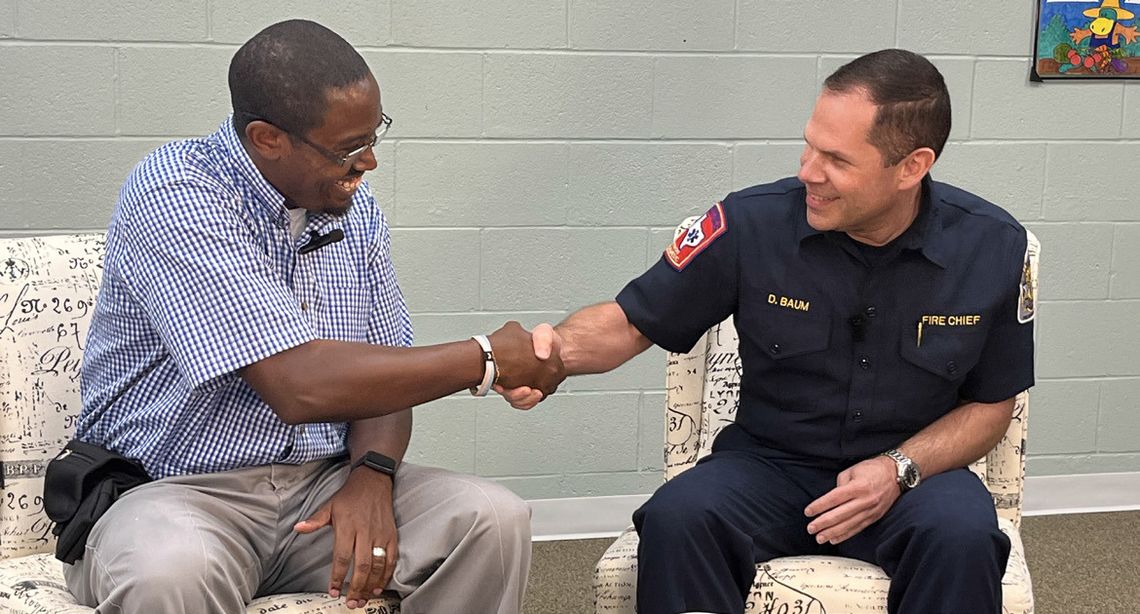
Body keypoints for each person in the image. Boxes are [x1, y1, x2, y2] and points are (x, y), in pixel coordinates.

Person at [500, 49, 1035, 614]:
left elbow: (991, 406)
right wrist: (554, 352)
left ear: (911, 166)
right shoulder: (749, 224)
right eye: (809, 144)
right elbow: (633, 321)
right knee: (678, 517)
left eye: (837, 159)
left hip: (913, 477)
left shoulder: (993, 248)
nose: (809, 170)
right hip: (769, 466)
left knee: (963, 536)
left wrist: (899, 469)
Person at [63, 19, 563, 614]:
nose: (370, 162)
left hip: (321, 490)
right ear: (267, 139)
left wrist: (372, 475)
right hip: (176, 495)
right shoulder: (176, 192)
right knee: (170, 572)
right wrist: (483, 358)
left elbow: (387, 371)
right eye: (350, 147)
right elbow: (298, 384)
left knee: (491, 520)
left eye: (375, 135)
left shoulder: (352, 205)